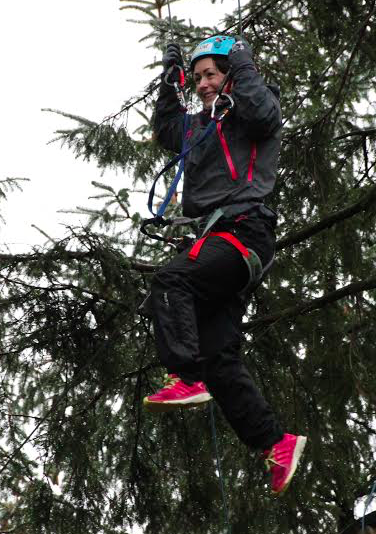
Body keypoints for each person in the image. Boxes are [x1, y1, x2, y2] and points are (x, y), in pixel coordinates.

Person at [143, 35, 307, 495]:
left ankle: (184, 377)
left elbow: (263, 114)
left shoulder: (252, 112)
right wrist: (169, 79)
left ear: (231, 75)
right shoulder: (202, 127)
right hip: (222, 241)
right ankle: (275, 442)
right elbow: (167, 131)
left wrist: (243, 65)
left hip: (242, 232)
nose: (203, 85)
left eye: (210, 74)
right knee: (217, 356)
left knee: (173, 280)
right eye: (197, 79)